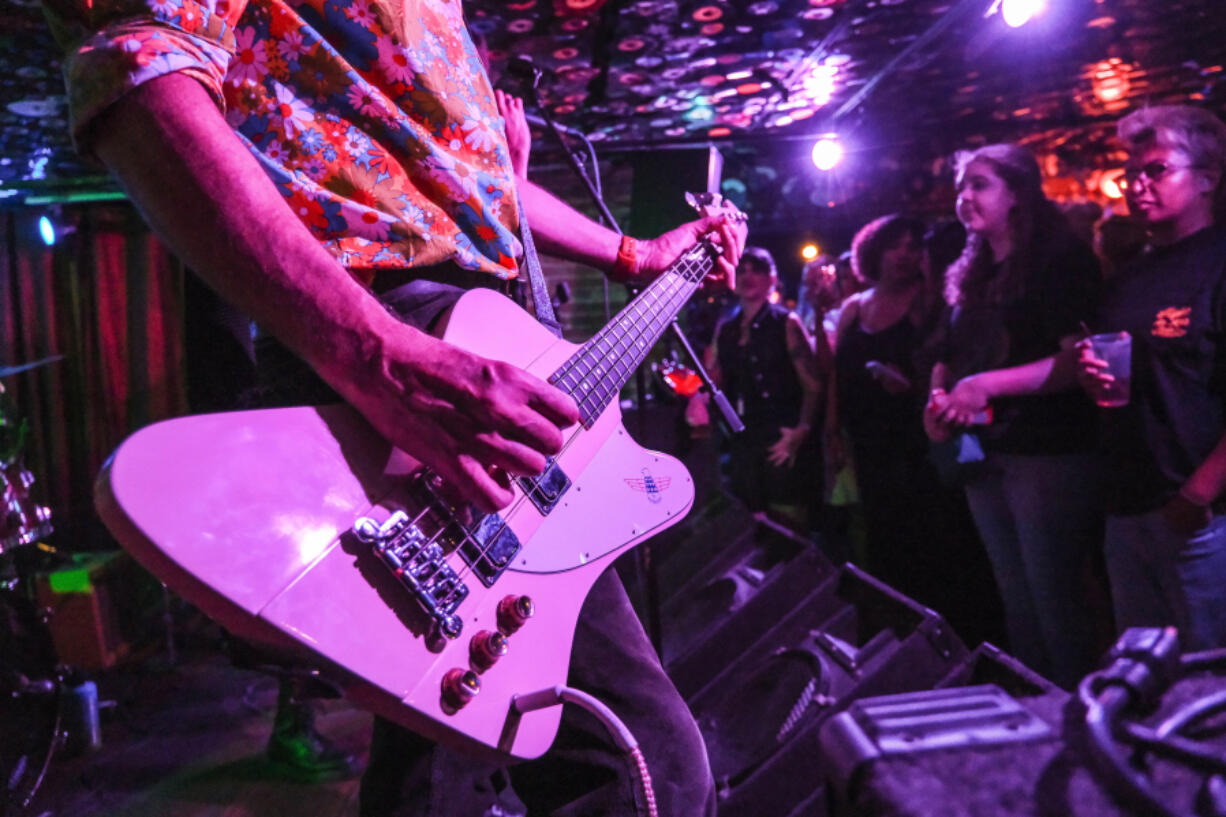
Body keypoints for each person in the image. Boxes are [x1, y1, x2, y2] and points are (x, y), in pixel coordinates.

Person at [43, 1, 746, 814]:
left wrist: (641, 255)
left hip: (484, 328)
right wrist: (381, 358)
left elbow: (484, 201)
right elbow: (134, 63)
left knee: (438, 765)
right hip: (402, 328)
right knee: (645, 769)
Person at [925, 143, 1102, 688]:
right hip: (985, 450)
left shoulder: (1061, 260)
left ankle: (1084, 723)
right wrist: (937, 396)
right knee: (1017, 599)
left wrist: (984, 387)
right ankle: (1041, 716)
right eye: (962, 186)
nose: (965, 197)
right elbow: (950, 351)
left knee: (1058, 603)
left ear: (1018, 193)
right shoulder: (973, 267)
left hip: (1046, 450)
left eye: (979, 185)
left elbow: (1079, 360)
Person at [1077, 105, 1226, 651]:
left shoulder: (1219, 264)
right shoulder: (1130, 275)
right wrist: (1093, 377)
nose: (1137, 185)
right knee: (1144, 683)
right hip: (1126, 508)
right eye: (1130, 174)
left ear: (1207, 178)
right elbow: (1119, 367)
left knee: (1209, 693)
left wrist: (1198, 494)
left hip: (1199, 516)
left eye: (1156, 170)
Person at [827, 215, 952, 607]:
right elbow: (833, 374)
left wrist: (911, 386)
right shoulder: (854, 308)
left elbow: (945, 367)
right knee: (880, 537)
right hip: (867, 441)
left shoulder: (928, 302)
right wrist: (832, 430)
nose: (903, 254)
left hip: (914, 441)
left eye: (913, 246)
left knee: (924, 538)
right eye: (894, 245)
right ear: (874, 251)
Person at [689, 247, 824, 532]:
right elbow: (710, 379)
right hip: (743, 443)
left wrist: (802, 430)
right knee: (750, 529)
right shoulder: (726, 329)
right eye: (742, 269)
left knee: (788, 527)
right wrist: (696, 398)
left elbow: (813, 385)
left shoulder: (786, 322)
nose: (748, 275)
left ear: (771, 279)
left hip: (781, 438)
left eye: (757, 270)